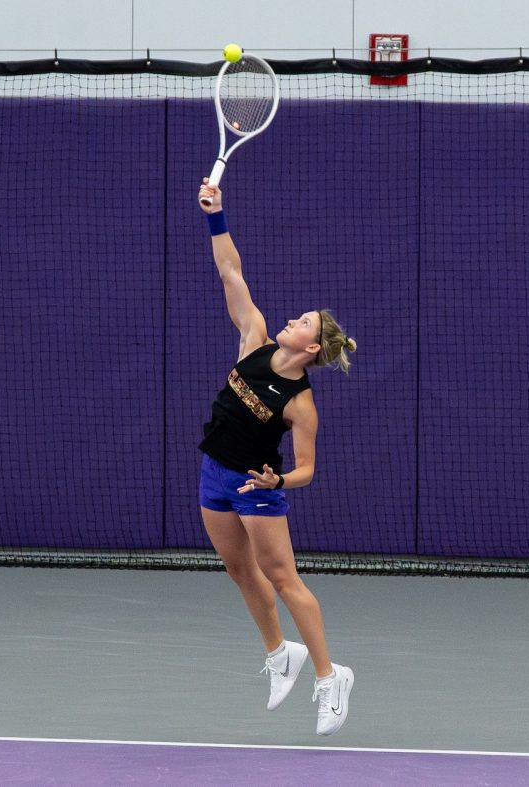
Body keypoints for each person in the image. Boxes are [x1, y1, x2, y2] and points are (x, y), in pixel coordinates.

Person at [196, 177, 358, 736]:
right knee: (240, 571)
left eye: (304, 323)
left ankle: (329, 675)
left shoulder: (300, 404)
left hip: (254, 486)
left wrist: (278, 481)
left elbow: (309, 469)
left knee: (284, 579)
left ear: (311, 349)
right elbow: (230, 271)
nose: (293, 319)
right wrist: (217, 215)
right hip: (212, 472)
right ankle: (279, 653)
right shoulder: (255, 339)